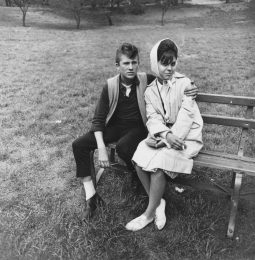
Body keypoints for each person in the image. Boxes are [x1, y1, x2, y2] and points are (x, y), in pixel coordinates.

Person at [72, 42, 198, 220]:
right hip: (115, 127)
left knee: (124, 147)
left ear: (138, 63)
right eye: (126, 63)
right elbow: (98, 120)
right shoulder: (110, 86)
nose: (131, 67)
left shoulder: (146, 79)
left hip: (138, 127)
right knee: (79, 145)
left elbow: (167, 74)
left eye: (134, 63)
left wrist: (189, 86)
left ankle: (137, 176)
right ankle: (91, 197)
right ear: (118, 66)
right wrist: (101, 148)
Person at [125, 39, 203, 231]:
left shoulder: (185, 84)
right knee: (138, 157)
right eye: (164, 63)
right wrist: (164, 135)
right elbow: (152, 118)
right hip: (165, 136)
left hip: (186, 137)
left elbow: (186, 116)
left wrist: (169, 138)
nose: (169, 68)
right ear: (155, 63)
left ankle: (148, 214)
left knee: (158, 167)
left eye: (172, 63)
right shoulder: (151, 91)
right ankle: (159, 203)